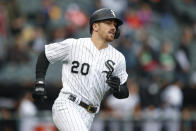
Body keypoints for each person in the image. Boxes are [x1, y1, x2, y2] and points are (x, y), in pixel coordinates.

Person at [32, 8, 129, 131]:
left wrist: (118, 89)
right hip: (68, 104)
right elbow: (45, 54)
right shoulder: (75, 45)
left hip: (90, 114)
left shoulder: (118, 58)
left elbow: (125, 92)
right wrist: (40, 82)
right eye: (108, 23)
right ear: (95, 26)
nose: (113, 27)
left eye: (115, 25)